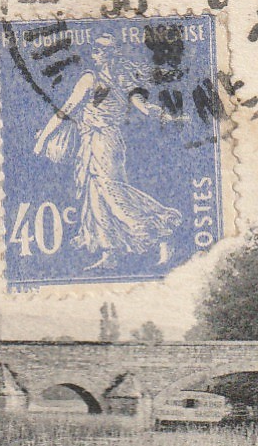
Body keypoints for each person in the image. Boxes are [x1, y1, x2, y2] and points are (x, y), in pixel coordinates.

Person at [33, 37, 181, 271]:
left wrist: (167, 116)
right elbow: (68, 110)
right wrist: (43, 138)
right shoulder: (103, 79)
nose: (96, 53)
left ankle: (161, 231)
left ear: (110, 53)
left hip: (105, 141)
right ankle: (109, 252)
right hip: (94, 141)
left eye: (100, 49)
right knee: (96, 194)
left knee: (112, 192)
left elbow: (142, 108)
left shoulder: (108, 79)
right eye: (95, 49)